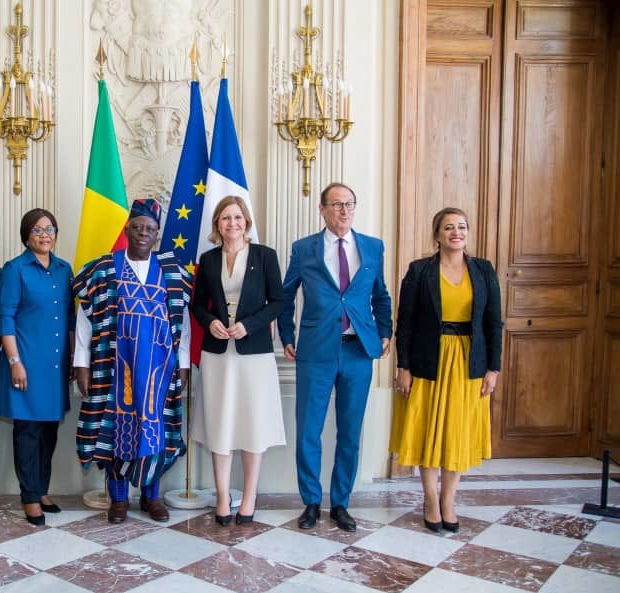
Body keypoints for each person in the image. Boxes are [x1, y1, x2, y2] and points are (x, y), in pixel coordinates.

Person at [278, 182, 393, 532]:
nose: (344, 210)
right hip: (315, 351)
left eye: (349, 204)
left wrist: (385, 332)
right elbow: (285, 297)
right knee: (308, 430)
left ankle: (341, 503)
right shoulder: (304, 249)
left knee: (350, 431)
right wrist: (287, 336)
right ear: (323, 209)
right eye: (337, 204)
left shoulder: (372, 247)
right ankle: (311, 502)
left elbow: (381, 296)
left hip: (358, 350)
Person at [73, 198, 192, 524]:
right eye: (137, 227)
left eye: (150, 229)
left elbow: (182, 323)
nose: (143, 233)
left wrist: (183, 364)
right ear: (127, 229)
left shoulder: (172, 273)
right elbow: (85, 320)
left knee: (155, 430)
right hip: (113, 368)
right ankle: (119, 499)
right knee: (115, 432)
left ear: (157, 234)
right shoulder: (104, 269)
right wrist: (81, 364)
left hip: (158, 371)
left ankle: (151, 497)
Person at [390, 207, 502, 533]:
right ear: (437, 234)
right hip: (429, 361)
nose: (456, 232)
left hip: (468, 363)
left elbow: (493, 323)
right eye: (449, 227)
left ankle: (448, 501)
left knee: (457, 433)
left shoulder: (483, 270)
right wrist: (403, 367)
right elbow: (405, 323)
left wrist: (493, 368)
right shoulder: (419, 271)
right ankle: (429, 499)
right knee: (428, 431)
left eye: (462, 227)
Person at [191, 196, 285, 526]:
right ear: (217, 224)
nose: (232, 223)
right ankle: (222, 495)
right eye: (226, 218)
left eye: (237, 217)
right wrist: (209, 322)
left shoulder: (265, 256)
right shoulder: (208, 259)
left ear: (246, 221)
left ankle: (249, 497)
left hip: (254, 354)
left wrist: (251, 325)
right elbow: (197, 305)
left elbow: (278, 302)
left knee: (252, 423)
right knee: (220, 422)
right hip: (217, 356)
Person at [0, 208, 74, 526]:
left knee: (49, 432)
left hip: (55, 366)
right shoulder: (15, 269)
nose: (45, 235)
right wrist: (14, 362)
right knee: (28, 432)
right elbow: (5, 318)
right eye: (38, 230)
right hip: (25, 364)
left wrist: (73, 358)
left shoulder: (64, 269)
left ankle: (41, 489)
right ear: (26, 236)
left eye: (50, 229)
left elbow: (70, 318)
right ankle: (29, 497)